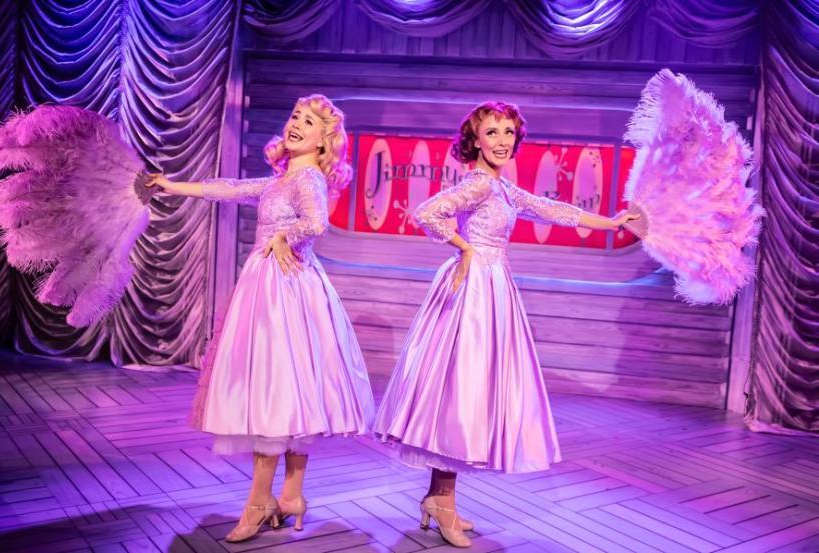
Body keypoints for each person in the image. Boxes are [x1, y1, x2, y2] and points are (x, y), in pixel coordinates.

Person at [373, 101, 637, 548]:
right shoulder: (477, 184)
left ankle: (440, 499)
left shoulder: (503, 189)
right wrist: (465, 248)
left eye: (508, 133)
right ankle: (444, 503)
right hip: (472, 294)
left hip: (493, 292)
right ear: (475, 140)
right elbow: (426, 213)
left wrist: (612, 222)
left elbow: (557, 211)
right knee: (461, 395)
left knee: (468, 396)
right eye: (491, 132)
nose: (501, 140)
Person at [149, 94, 375, 543]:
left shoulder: (307, 177)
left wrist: (283, 237)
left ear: (323, 140)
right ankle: (290, 496)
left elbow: (317, 222)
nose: (296, 124)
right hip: (273, 288)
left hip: (284, 291)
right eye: (294, 116)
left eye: (308, 122)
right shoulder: (281, 179)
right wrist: (171, 186)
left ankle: (258, 501)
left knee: (275, 391)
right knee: (291, 393)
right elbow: (230, 189)